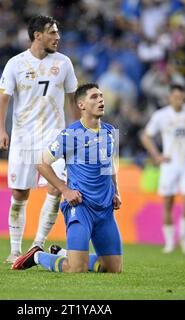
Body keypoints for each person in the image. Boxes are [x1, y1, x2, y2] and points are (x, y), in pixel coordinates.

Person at [11, 83, 123, 273]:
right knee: (75, 268)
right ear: (81, 105)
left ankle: (62, 252)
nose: (101, 100)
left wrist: (116, 191)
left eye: (101, 96)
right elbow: (40, 162)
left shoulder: (110, 132)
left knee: (113, 269)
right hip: (81, 207)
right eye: (94, 97)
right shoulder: (71, 134)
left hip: (104, 209)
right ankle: (37, 255)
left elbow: (110, 164)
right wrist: (65, 189)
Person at [0, 15, 78, 263]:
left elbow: (73, 99)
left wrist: (77, 131)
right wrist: (1, 130)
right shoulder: (15, 63)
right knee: (20, 193)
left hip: (55, 137)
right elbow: (2, 100)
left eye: (57, 32)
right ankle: (14, 250)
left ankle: (38, 243)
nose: (57, 37)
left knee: (56, 187)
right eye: (52, 33)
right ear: (37, 35)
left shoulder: (64, 63)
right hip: (23, 138)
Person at [141, 84, 185, 254]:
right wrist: (157, 155)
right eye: (175, 97)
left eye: (181, 97)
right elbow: (146, 136)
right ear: (169, 98)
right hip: (169, 166)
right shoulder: (161, 115)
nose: (178, 100)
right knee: (168, 203)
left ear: (184, 97)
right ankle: (169, 242)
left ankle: (184, 237)